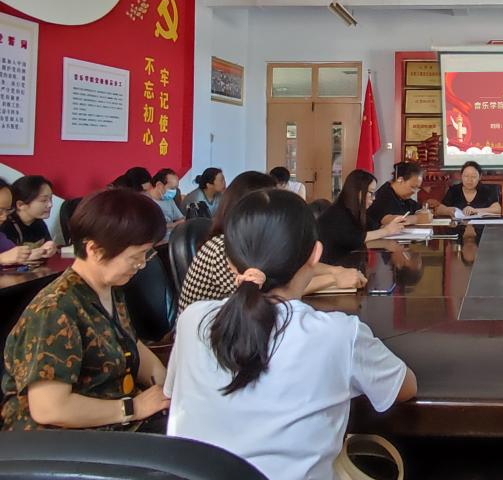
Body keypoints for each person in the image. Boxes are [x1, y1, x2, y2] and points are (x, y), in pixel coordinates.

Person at [165, 189, 417, 480]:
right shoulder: (338, 334)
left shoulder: (193, 321)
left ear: (230, 261)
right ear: (316, 254)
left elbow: (176, 397)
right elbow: (404, 388)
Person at [1, 188, 170, 430]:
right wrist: (132, 408)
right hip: (62, 439)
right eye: (135, 256)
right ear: (94, 250)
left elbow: (129, 344)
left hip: (113, 420)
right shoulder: (55, 310)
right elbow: (49, 409)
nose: (141, 264)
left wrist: (167, 388)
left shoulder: (110, 289)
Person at [178, 172, 366, 311]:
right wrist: (333, 279)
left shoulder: (252, 241)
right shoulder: (223, 247)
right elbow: (270, 292)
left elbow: (290, 267)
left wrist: (336, 270)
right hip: (207, 338)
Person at [317, 170, 407, 262]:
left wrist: (390, 227)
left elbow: (373, 227)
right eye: (371, 193)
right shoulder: (338, 213)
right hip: (332, 265)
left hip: (349, 260)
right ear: (358, 192)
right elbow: (354, 239)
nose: (374, 198)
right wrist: (386, 231)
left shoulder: (357, 211)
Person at [2, 176, 57, 259]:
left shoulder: (39, 223)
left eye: (51, 199)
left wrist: (49, 249)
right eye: (43, 200)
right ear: (20, 205)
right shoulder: (5, 225)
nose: (50, 205)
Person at [433, 161, 501, 218]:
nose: (469, 180)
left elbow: (498, 210)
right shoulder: (454, 190)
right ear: (461, 176)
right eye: (466, 176)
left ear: (480, 177)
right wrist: (448, 210)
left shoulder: (487, 190)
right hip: (457, 227)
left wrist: (476, 210)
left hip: (482, 228)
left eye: (473, 176)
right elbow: (439, 209)